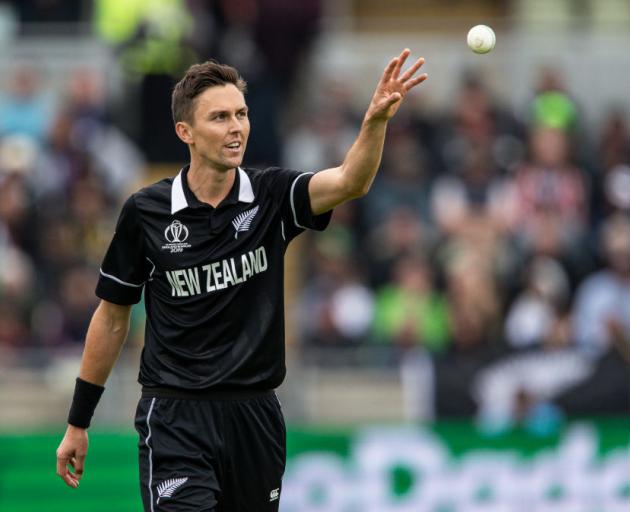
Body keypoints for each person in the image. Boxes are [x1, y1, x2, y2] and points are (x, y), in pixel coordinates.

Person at [55, 50, 427, 510]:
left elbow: (351, 181)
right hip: (176, 417)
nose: (236, 127)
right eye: (219, 117)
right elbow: (112, 318)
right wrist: (78, 421)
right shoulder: (145, 212)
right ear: (185, 132)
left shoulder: (271, 195)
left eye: (241, 114)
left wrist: (374, 122)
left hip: (256, 416)